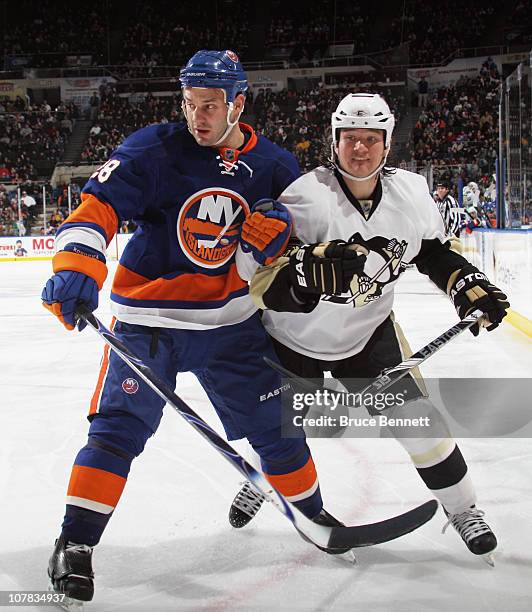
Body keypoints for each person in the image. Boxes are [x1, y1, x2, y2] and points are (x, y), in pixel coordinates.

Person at [42, 50, 336, 606]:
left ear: (238, 103)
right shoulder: (154, 147)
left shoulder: (273, 164)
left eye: (209, 106)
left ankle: (315, 516)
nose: (197, 116)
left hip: (231, 325)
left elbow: (301, 240)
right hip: (147, 324)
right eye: (190, 103)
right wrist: (77, 266)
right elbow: (99, 206)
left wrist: (282, 238)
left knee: (278, 429)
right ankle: (74, 544)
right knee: (116, 433)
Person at [230, 93, 509, 563]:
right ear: (333, 142)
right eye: (350, 139)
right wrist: (302, 282)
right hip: (293, 340)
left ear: (387, 143)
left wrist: (466, 283)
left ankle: (462, 510)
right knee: (286, 432)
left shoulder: (413, 193)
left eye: (371, 139)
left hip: (368, 338)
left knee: (418, 424)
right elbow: (255, 279)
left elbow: (433, 253)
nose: (360, 149)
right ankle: (264, 477)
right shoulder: (302, 197)